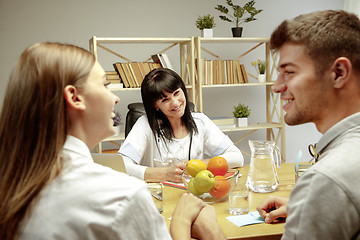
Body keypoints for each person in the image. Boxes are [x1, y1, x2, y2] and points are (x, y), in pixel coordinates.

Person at [0, 42, 225, 240]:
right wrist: (185, 221)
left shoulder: (16, 183)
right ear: (75, 97)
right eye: (105, 85)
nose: (115, 97)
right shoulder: (122, 195)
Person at [256, 10, 360, 239]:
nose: (276, 87)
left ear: (339, 73)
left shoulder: (326, 180)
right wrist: (304, 205)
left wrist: (205, 229)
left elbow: (332, 184)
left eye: (289, 72)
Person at [118, 68, 244, 182]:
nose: (175, 103)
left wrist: (198, 165)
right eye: (165, 100)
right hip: (157, 199)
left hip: (193, 195)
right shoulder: (145, 125)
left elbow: (237, 157)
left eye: (177, 93)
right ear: (155, 105)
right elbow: (120, 166)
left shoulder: (200, 121)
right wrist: (164, 173)